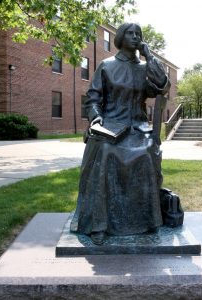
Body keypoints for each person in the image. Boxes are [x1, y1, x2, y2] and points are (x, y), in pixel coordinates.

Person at [70, 23, 170, 245]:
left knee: (145, 154)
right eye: (131, 33)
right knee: (106, 152)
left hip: (138, 128)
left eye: (139, 34)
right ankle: (99, 224)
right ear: (121, 37)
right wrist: (95, 117)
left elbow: (163, 86)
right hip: (111, 126)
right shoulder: (106, 66)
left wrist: (149, 56)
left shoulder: (146, 68)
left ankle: (147, 222)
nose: (135, 37)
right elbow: (93, 98)